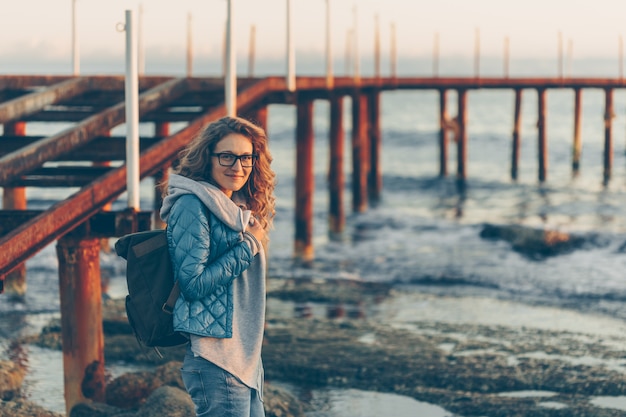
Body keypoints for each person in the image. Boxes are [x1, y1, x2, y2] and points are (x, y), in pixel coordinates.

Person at [159, 116, 275, 417]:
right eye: (227, 156)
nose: (237, 167)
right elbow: (193, 284)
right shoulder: (191, 205)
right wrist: (249, 245)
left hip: (243, 358)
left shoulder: (231, 208)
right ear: (207, 157)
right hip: (217, 359)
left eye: (246, 157)